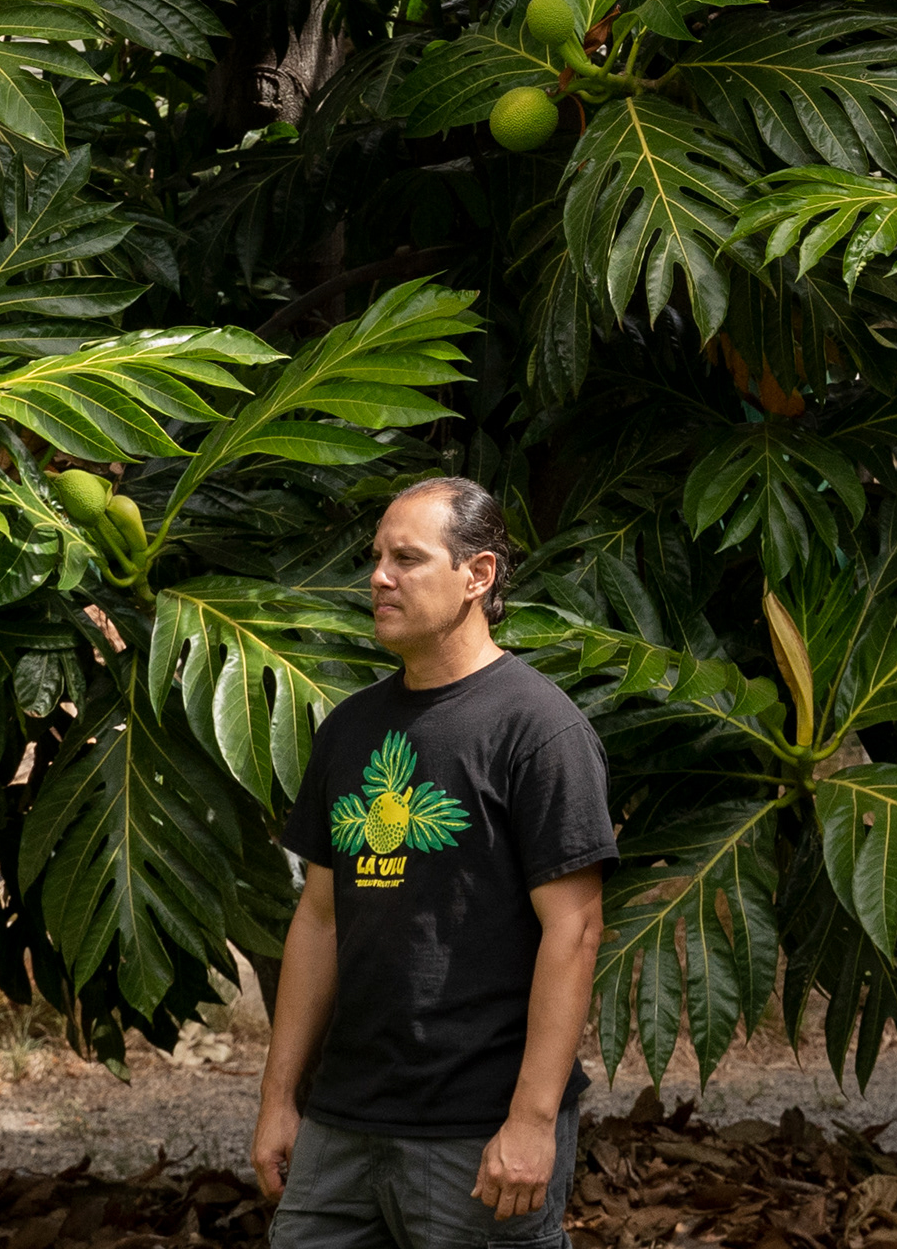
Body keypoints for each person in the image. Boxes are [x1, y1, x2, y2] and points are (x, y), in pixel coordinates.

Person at [252, 475, 615, 1247]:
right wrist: (280, 1099)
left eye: (407, 559)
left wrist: (531, 1121)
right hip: (343, 1122)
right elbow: (317, 920)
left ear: (477, 576)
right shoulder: (350, 729)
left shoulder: (539, 729)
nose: (378, 576)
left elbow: (576, 930)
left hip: (475, 1132)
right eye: (376, 556)